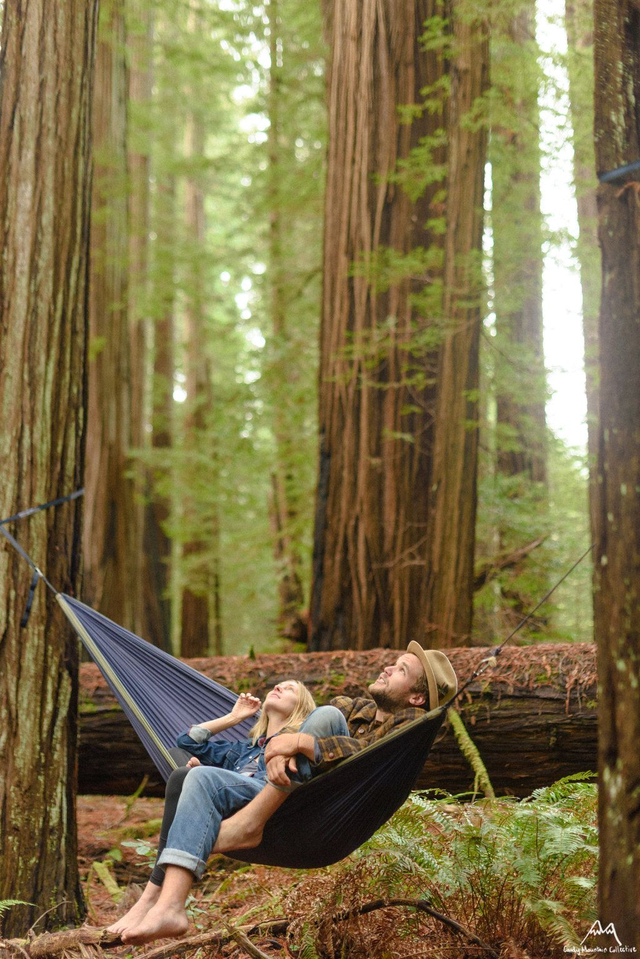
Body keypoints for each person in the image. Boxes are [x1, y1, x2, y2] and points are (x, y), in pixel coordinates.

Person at [115, 641, 457, 946]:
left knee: (323, 716)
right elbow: (190, 743)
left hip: (312, 816)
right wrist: (285, 746)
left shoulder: (408, 729)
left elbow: (367, 756)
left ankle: (249, 824)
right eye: (393, 663)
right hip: (280, 799)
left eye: (401, 670)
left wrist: (300, 742)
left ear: (417, 698)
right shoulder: (351, 709)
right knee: (191, 776)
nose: (388, 668)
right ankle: (163, 905)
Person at [108, 679, 346, 941]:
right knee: (182, 776)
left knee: (202, 777)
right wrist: (234, 717)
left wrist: (291, 744)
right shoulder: (242, 750)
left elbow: (330, 722)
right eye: (277, 686)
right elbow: (186, 742)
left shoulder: (311, 733)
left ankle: (167, 905)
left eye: (290, 689)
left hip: (282, 804)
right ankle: (153, 899)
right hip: (236, 804)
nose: (278, 688)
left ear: (302, 708)